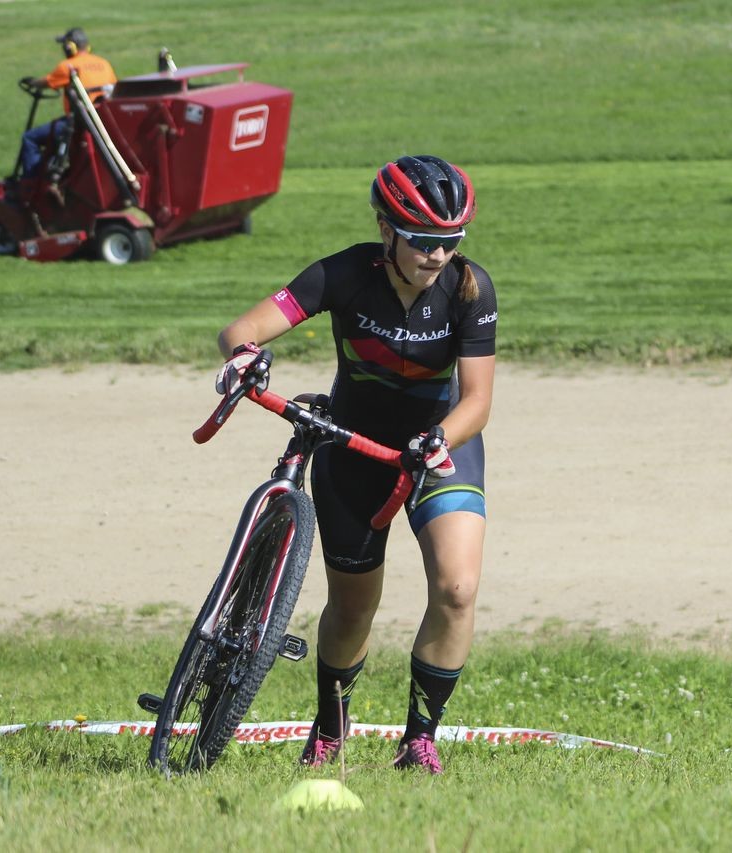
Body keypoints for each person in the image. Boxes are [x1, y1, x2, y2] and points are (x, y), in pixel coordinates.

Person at [214, 155, 497, 775]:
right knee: (351, 607)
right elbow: (243, 328)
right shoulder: (344, 273)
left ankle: (420, 737)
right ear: (385, 228)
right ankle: (330, 727)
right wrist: (244, 357)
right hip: (353, 447)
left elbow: (477, 402)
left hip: (438, 447)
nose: (437, 256)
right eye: (423, 241)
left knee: (457, 588)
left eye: (450, 241)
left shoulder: (470, 288)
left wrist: (436, 438)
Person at [17, 27, 117, 180]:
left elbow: (47, 82)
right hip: (103, 121)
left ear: (70, 46)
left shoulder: (68, 66)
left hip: (78, 123)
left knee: (30, 138)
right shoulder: (104, 63)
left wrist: (32, 82)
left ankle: (30, 183)